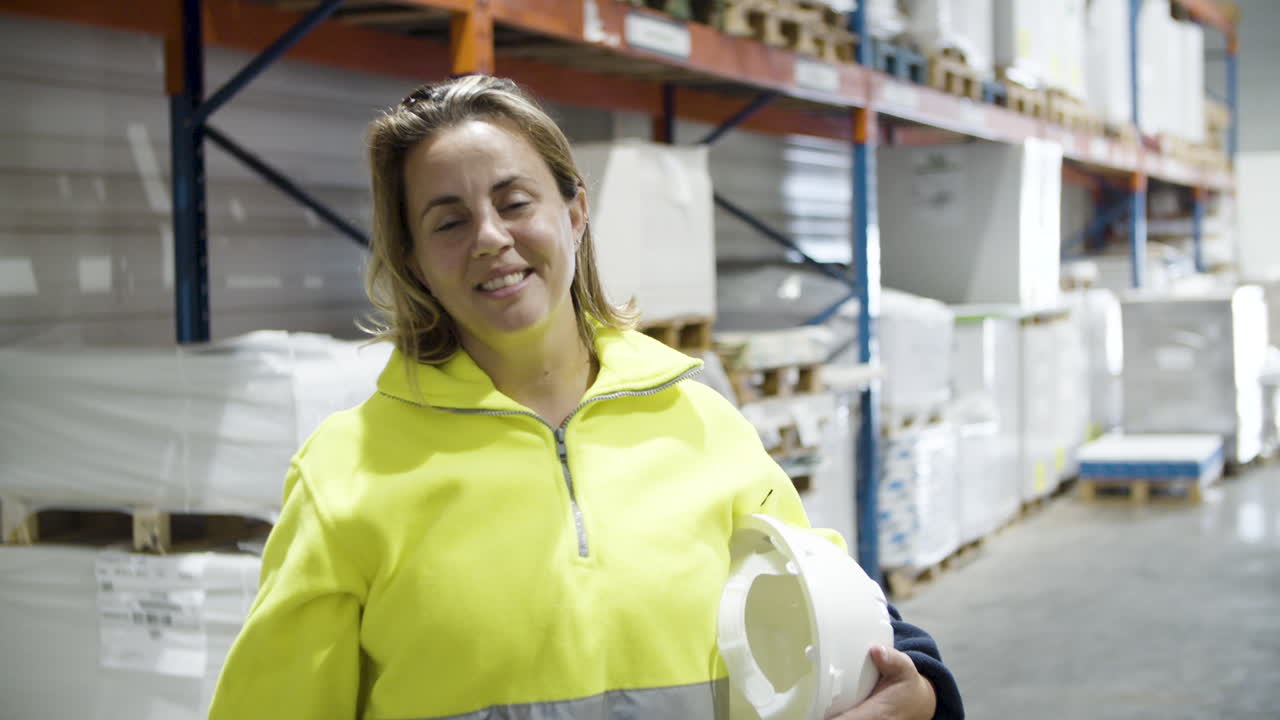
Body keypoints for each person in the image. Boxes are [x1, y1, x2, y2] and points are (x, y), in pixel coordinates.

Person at [207, 74, 963, 720]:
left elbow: (838, 608)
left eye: (514, 202)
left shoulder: (701, 424)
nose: (490, 238)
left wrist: (924, 690)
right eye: (448, 220)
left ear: (573, 212)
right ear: (414, 261)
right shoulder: (347, 475)